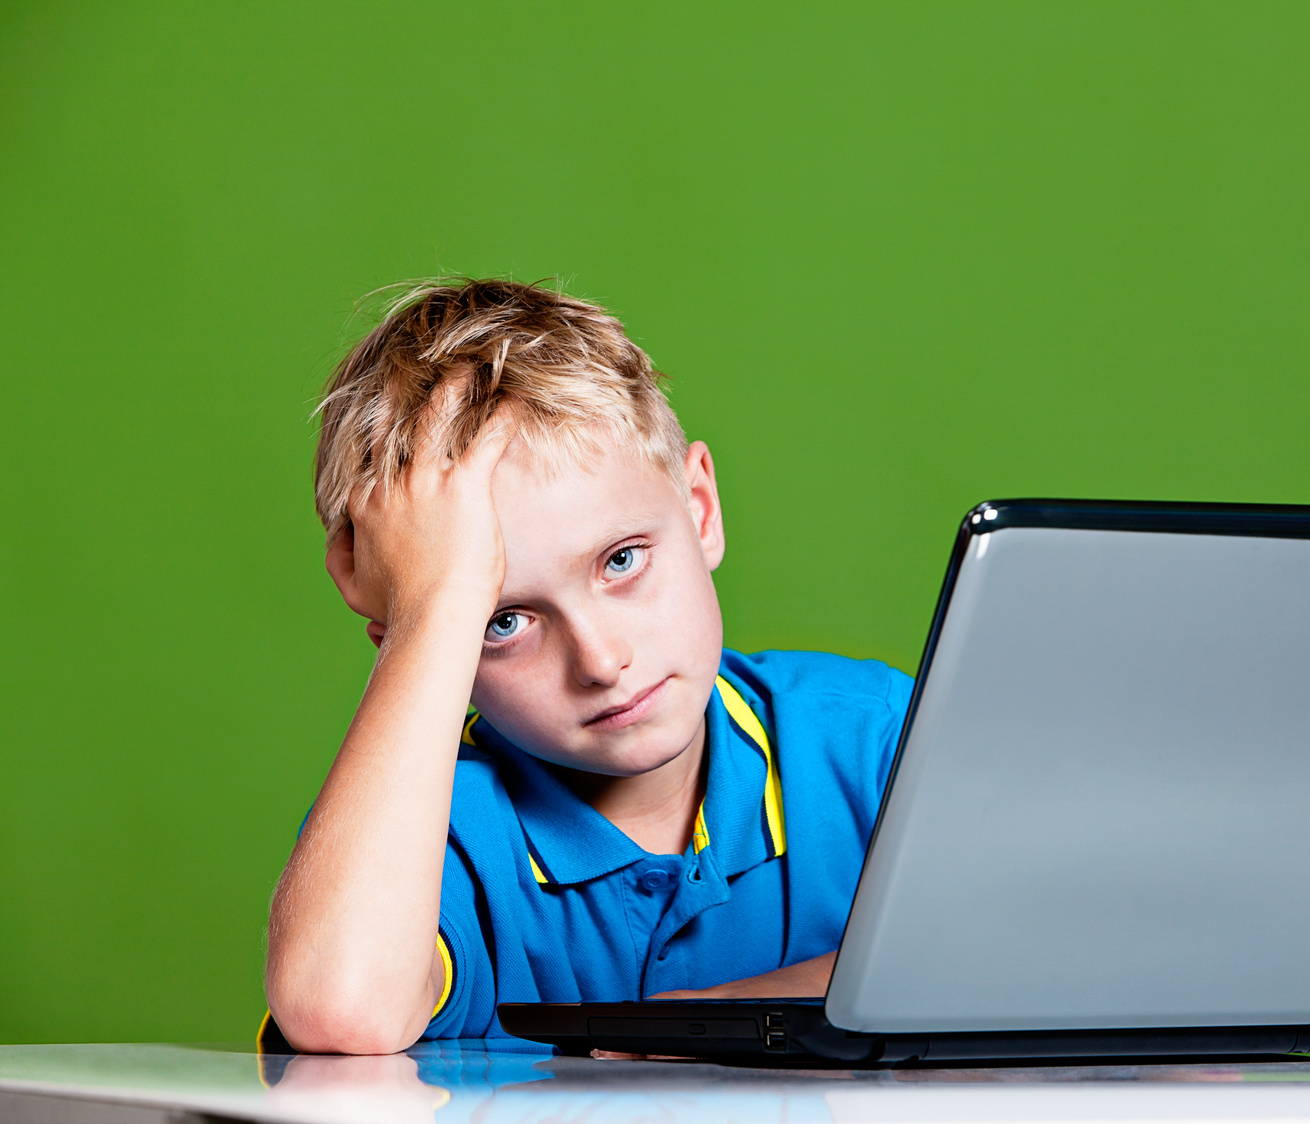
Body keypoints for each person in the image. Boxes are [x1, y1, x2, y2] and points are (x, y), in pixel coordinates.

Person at [264, 279, 913, 1053]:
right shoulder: (429, 835)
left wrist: (685, 1027)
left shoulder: (877, 744)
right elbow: (342, 1005)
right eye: (501, 620)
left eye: (621, 560)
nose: (602, 661)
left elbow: (1070, 947)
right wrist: (434, 603)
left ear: (700, 507)